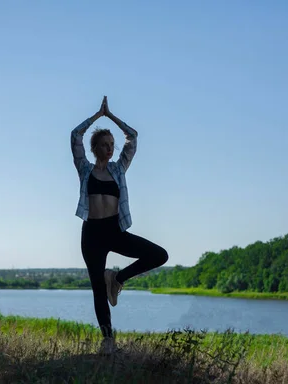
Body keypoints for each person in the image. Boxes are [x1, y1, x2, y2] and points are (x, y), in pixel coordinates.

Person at [70, 96, 169, 354]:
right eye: (105, 144)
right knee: (96, 289)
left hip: (115, 230)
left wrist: (111, 116)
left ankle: (117, 278)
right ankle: (108, 341)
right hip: (91, 233)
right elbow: (75, 135)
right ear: (95, 148)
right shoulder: (84, 169)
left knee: (159, 255)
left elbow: (133, 137)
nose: (110, 148)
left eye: (112, 144)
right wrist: (96, 117)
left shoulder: (119, 169)